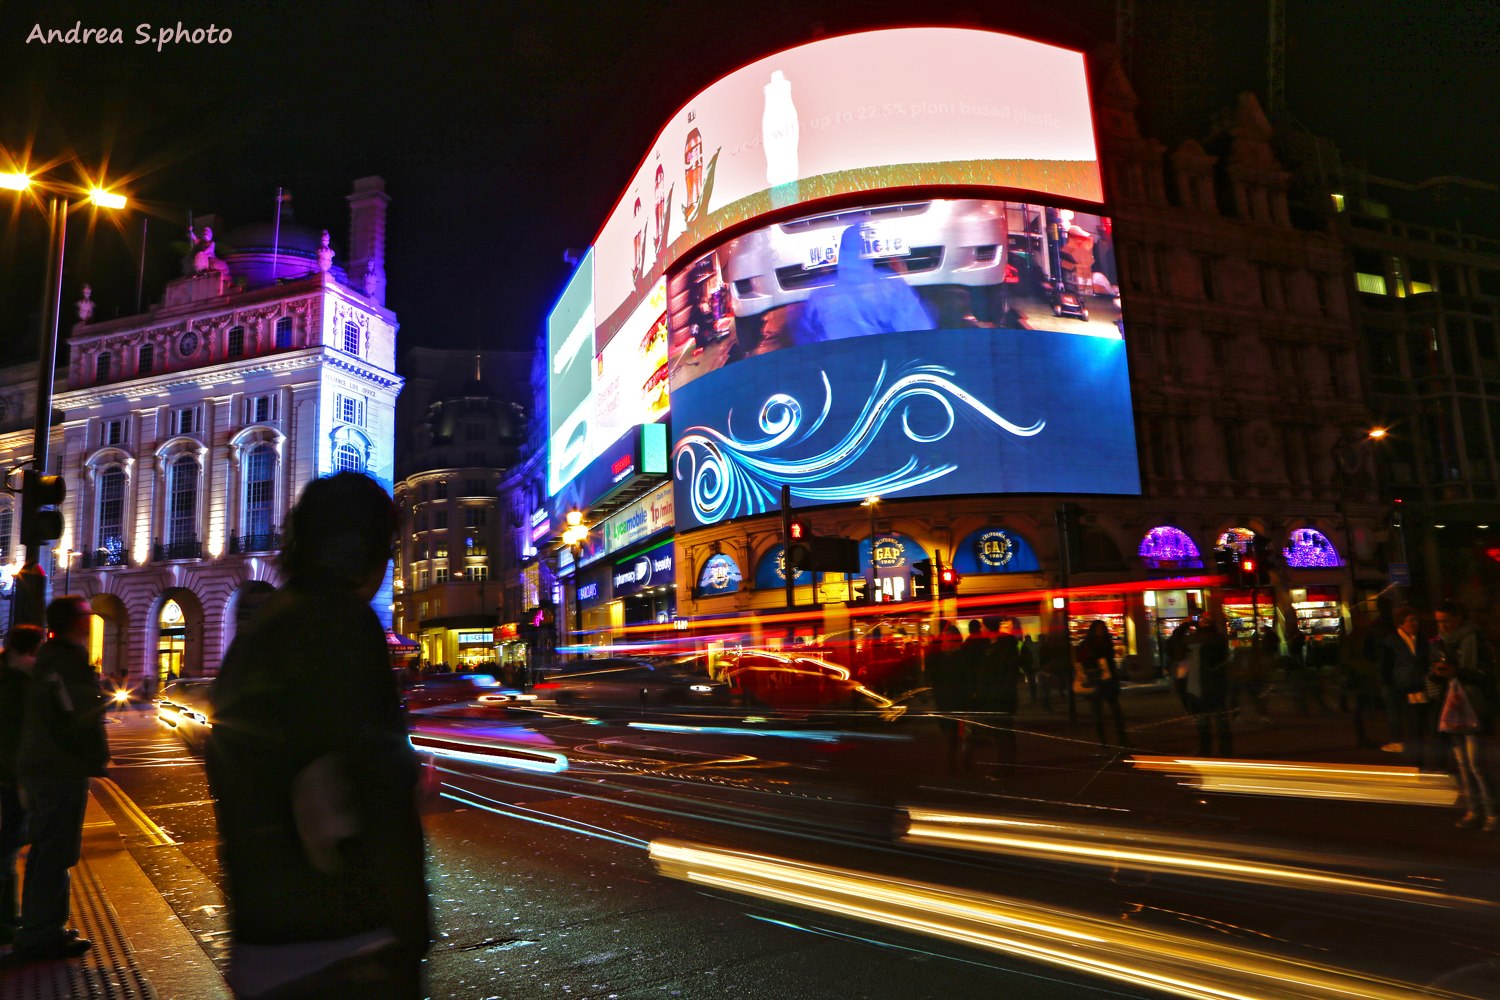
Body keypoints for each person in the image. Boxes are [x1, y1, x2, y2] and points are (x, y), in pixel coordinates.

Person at [207, 472, 431, 998]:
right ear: (364, 548)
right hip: (347, 936)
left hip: (263, 931)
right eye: (387, 546)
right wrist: (408, 923)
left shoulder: (262, 628)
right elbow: (375, 778)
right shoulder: (344, 622)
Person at [13, 597, 109, 962]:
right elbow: (76, 715)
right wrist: (93, 757)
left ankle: (42, 927)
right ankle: (41, 934)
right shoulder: (66, 660)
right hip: (59, 769)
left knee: (46, 847)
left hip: (45, 765)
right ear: (74, 622)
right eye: (86, 613)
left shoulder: (51, 658)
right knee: (56, 849)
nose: (90, 618)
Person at [1432, 600, 1497, 831]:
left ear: (1458, 618)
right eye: (1439, 621)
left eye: (1446, 620)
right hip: (1451, 705)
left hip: (1473, 706)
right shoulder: (1441, 640)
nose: (1443, 625)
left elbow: (1485, 675)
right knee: (1462, 764)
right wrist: (1436, 674)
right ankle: (1473, 810)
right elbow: (1436, 671)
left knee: (1476, 763)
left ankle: (1492, 812)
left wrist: (1456, 671)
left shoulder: (1474, 638)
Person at [0, 625, 45, 945]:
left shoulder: (7, 675)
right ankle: (7, 920)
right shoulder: (20, 682)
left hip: (9, 775)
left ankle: (9, 917)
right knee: (8, 849)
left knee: (9, 848)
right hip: (12, 778)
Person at [1379, 606, 1433, 763]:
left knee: (1419, 724)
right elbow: (1384, 667)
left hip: (1420, 688)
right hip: (1401, 689)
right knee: (1408, 724)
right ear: (1401, 623)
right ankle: (1412, 760)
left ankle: (1419, 758)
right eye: (1411, 620)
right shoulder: (1391, 641)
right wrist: (1389, 686)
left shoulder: (1422, 639)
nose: (1415, 623)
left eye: (1416, 620)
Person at [1185, 613, 1233, 757]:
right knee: (1220, 720)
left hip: (1196, 686)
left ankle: (1205, 749)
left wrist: (1185, 625)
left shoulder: (1193, 639)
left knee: (1203, 722)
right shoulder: (1219, 639)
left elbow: (1175, 644)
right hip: (1216, 685)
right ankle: (1225, 750)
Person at [1074, 620, 1127, 748]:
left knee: (1115, 710)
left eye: (1102, 629)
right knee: (1098, 712)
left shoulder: (1105, 643)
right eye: (1098, 629)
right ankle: (1104, 741)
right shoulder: (1088, 645)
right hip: (1096, 680)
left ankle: (1121, 738)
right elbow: (1080, 662)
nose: (1101, 631)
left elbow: (1110, 662)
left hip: (1107, 680)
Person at [925, 622, 966, 772]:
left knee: (958, 732)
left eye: (946, 640)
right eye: (943, 640)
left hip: (957, 699)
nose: (944, 642)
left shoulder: (960, 657)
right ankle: (952, 761)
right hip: (945, 700)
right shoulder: (940, 657)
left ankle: (957, 761)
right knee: (949, 732)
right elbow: (930, 671)